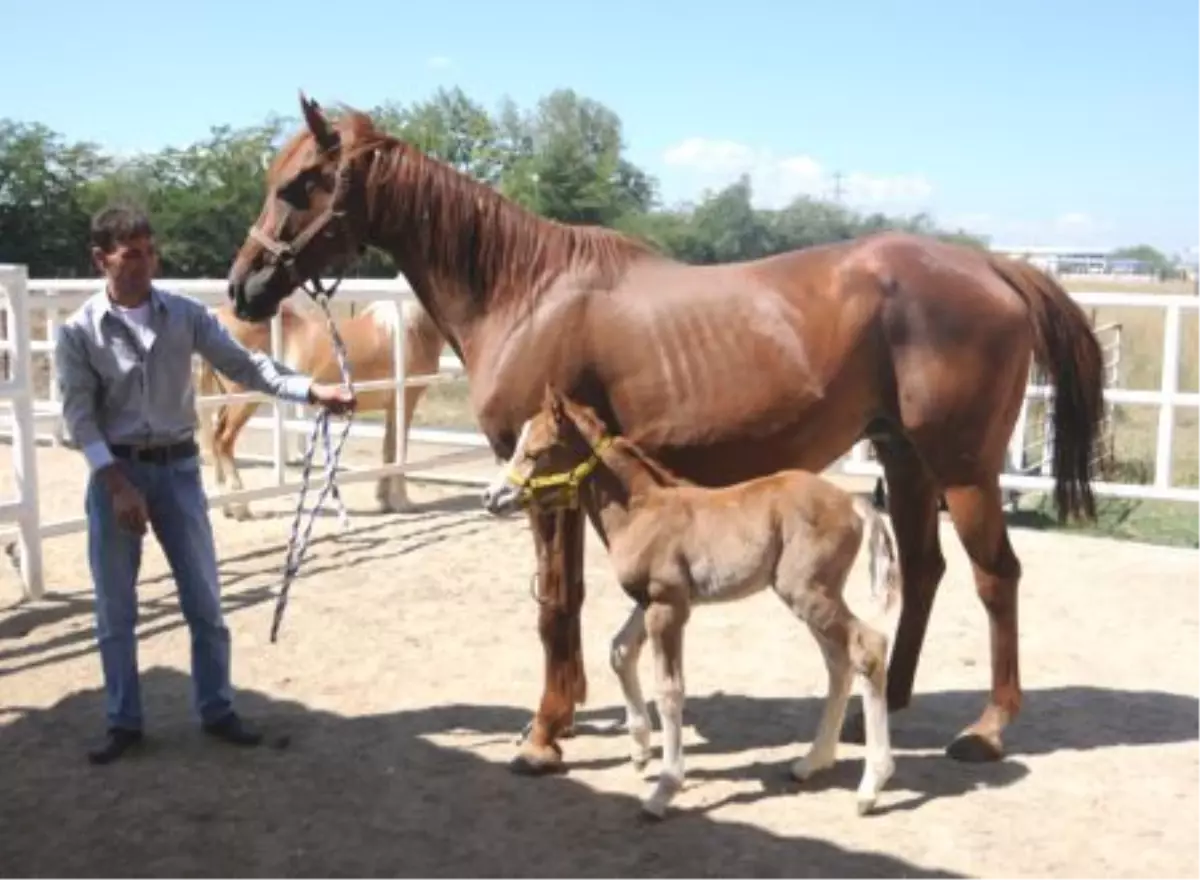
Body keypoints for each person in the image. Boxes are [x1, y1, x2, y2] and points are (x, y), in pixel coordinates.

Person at [53, 205, 356, 765]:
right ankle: (124, 720)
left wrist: (313, 392)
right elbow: (79, 417)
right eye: (130, 253)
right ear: (101, 259)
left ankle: (217, 708)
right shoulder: (78, 333)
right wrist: (117, 484)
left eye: (149, 251)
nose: (144, 263)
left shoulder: (185, 316)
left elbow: (247, 366)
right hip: (115, 473)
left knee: (204, 600)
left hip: (178, 471)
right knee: (115, 609)